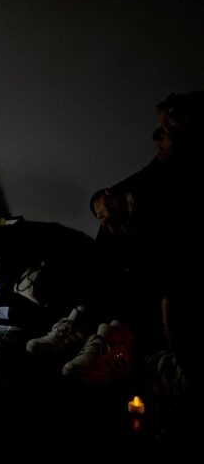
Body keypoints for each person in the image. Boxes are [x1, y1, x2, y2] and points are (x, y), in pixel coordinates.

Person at [25, 91, 202, 388]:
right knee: (115, 220)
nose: (156, 137)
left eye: (167, 132)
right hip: (146, 272)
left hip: (170, 283)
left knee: (129, 224)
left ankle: (116, 339)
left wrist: (135, 214)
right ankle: (91, 323)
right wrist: (104, 203)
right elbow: (113, 192)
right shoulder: (163, 165)